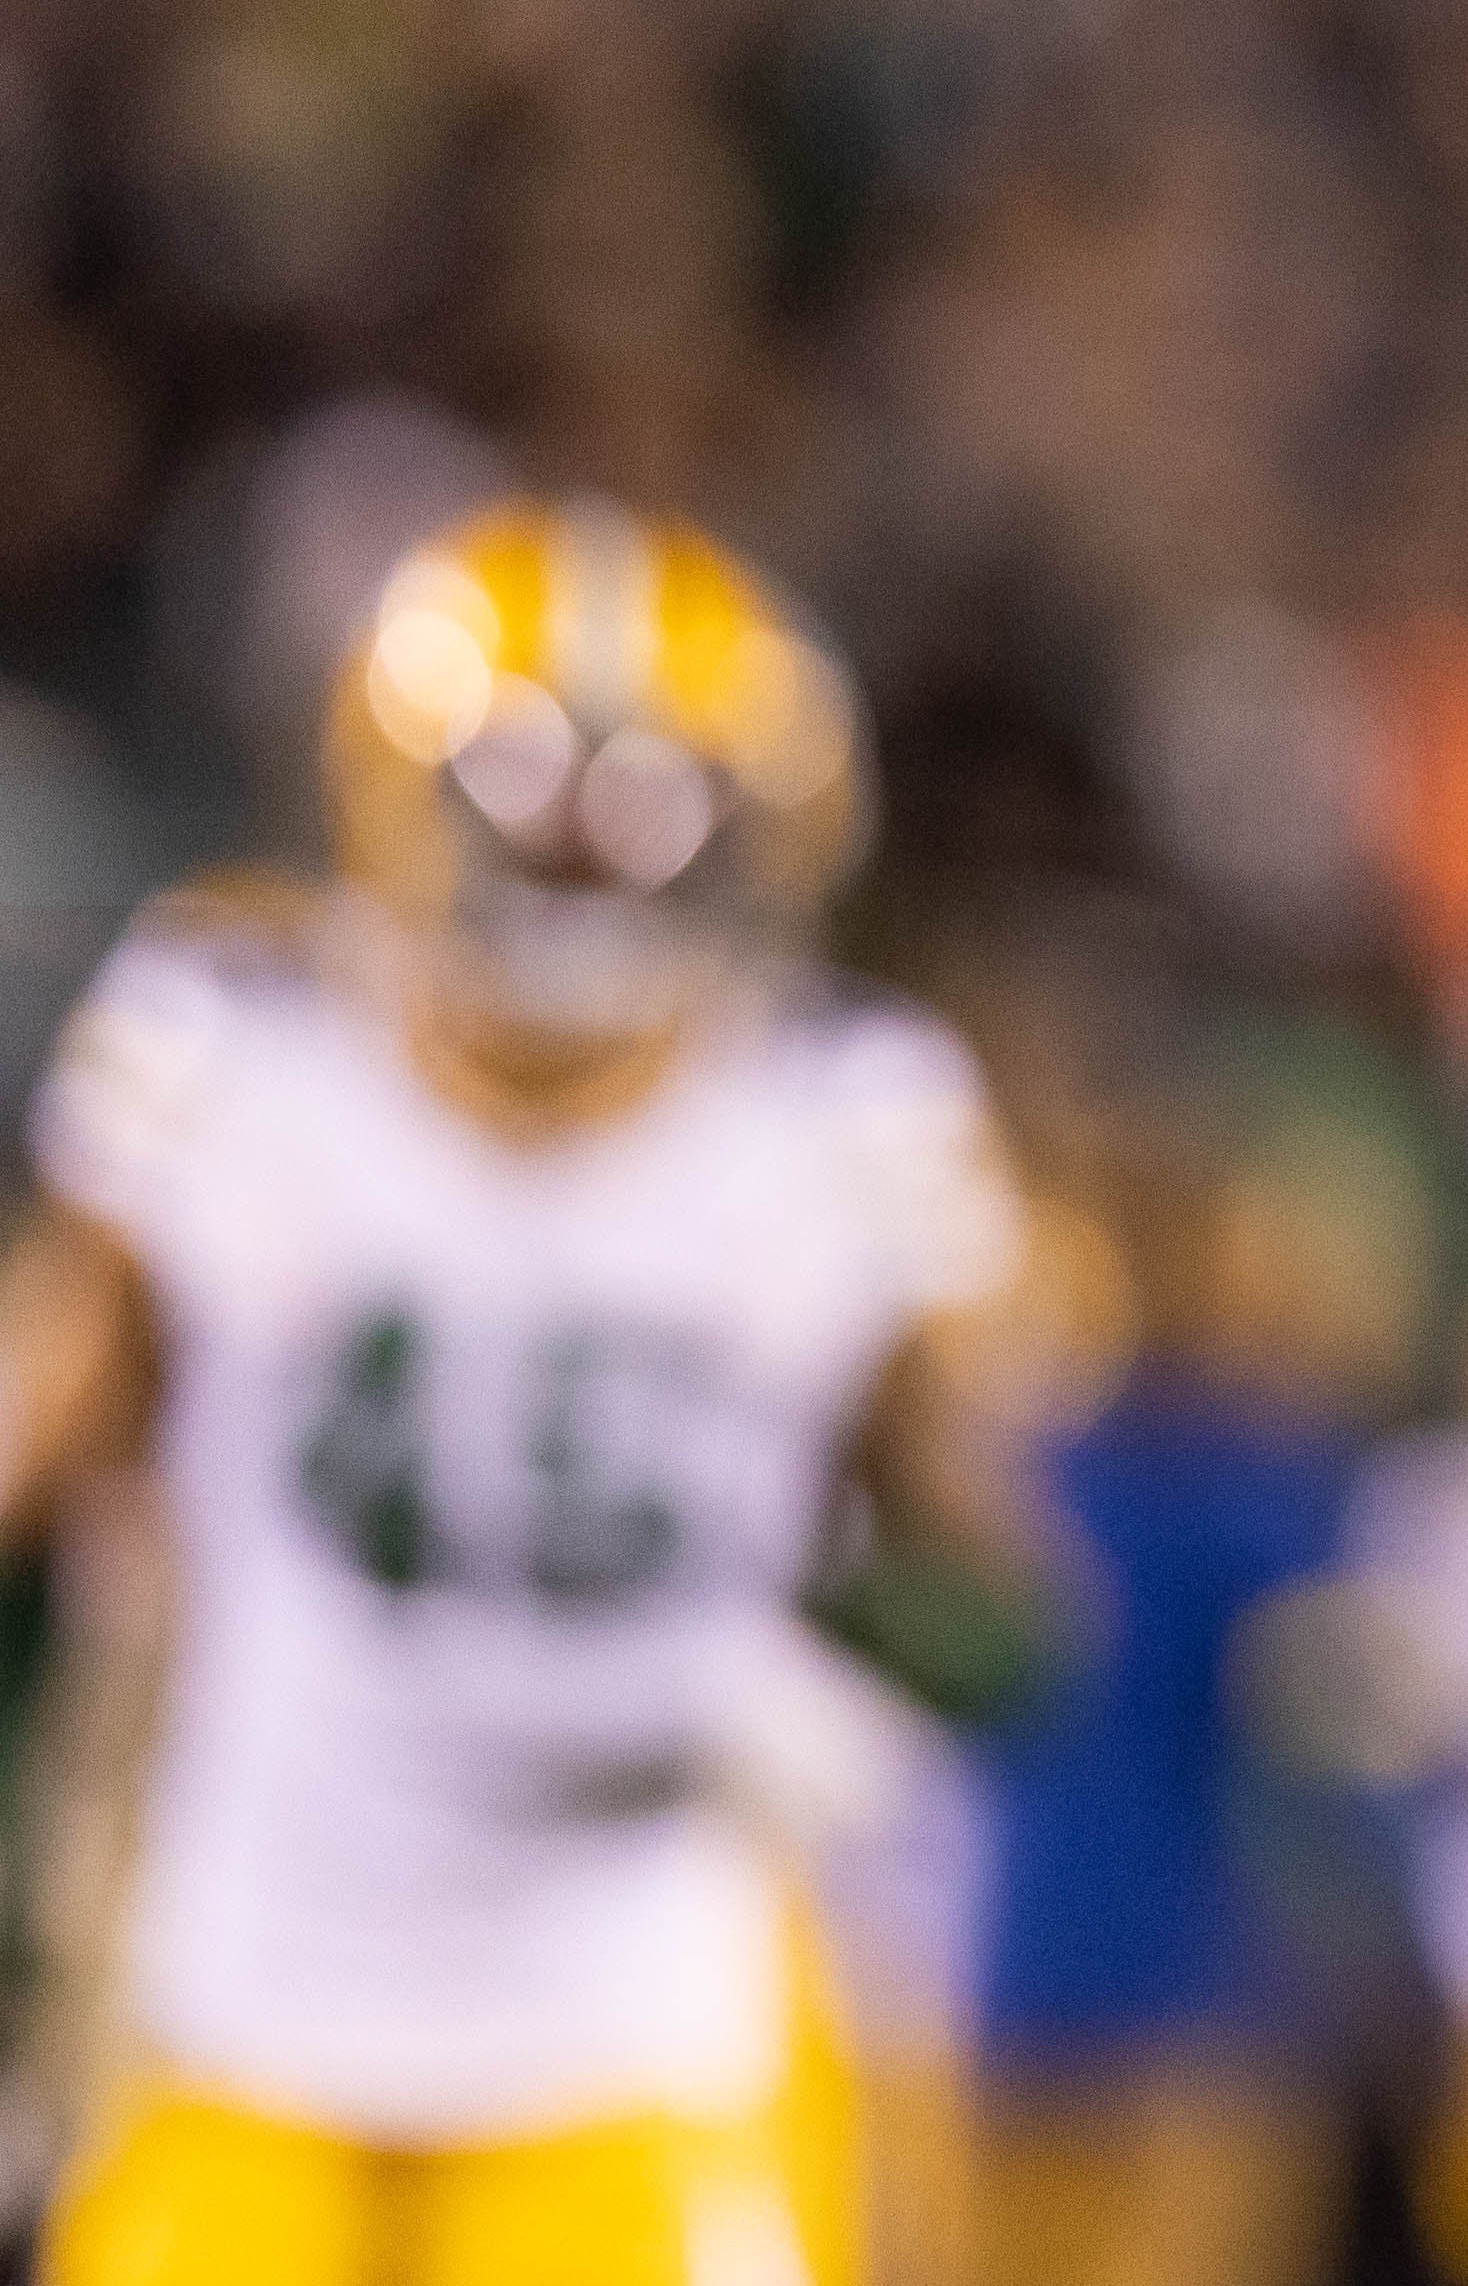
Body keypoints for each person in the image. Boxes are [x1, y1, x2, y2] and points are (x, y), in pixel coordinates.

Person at [0, 498, 1045, 2286]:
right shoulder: (229, 1045)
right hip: (242, 1990)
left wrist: (847, 1683)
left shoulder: (847, 1122)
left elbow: (1001, 1597)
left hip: (632, 2023)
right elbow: (33, 1438)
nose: (578, 865)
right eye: (525, 800)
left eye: (650, 811)